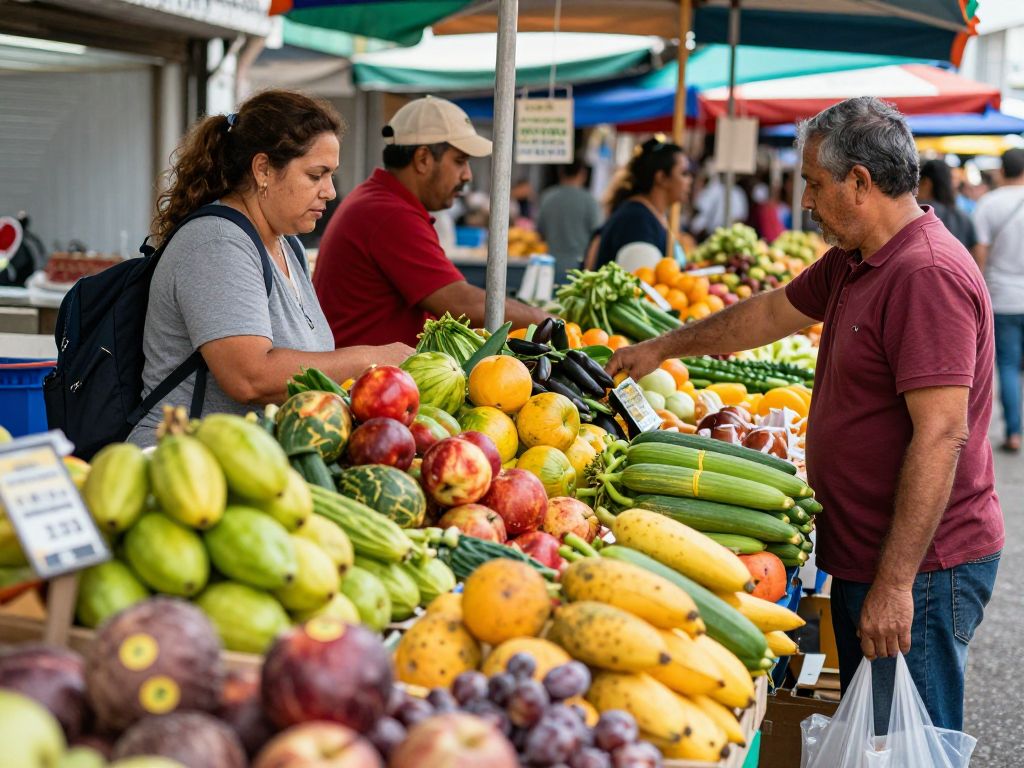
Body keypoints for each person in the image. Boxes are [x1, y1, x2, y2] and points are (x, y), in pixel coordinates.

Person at [607, 97, 1002, 734]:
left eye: (815, 184)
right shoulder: (857, 257)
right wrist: (664, 347)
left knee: (909, 741)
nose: (809, 202)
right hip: (866, 550)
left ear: (860, 181)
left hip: (922, 567)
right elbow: (768, 314)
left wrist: (895, 584)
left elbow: (941, 435)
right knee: (875, 736)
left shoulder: (924, 274)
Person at [128, 90, 412, 448]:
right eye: (316, 175)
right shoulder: (216, 243)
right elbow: (250, 377)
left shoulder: (288, 245)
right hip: (184, 458)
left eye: (331, 175)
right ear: (263, 169)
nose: (330, 191)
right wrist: (374, 359)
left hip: (252, 456)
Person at [314, 97, 548, 347]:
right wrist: (549, 321)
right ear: (423, 159)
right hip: (365, 370)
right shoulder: (389, 214)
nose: (467, 175)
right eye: (460, 161)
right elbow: (462, 303)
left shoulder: (381, 202)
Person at [972, 148, 1024, 453]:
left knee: (1007, 364)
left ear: (1002, 170)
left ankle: (1014, 432)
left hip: (1002, 297)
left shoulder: (988, 204)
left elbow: (980, 252)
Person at [586, 139, 692, 271]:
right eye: (684, 173)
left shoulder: (650, 214)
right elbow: (641, 279)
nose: (690, 180)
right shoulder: (637, 221)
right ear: (661, 178)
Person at [536, 160, 602, 283]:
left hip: (549, 267)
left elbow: (540, 232)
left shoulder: (547, 197)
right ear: (582, 174)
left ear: (561, 172)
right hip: (578, 268)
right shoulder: (589, 200)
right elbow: (598, 235)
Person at [917, 159, 977, 251]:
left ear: (926, 183)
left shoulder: (922, 213)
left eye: (918, 183)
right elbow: (975, 250)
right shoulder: (963, 217)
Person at [690, 160, 749, 238]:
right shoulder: (713, 189)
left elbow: (740, 218)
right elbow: (700, 210)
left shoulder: (738, 193)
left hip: (726, 235)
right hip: (711, 235)